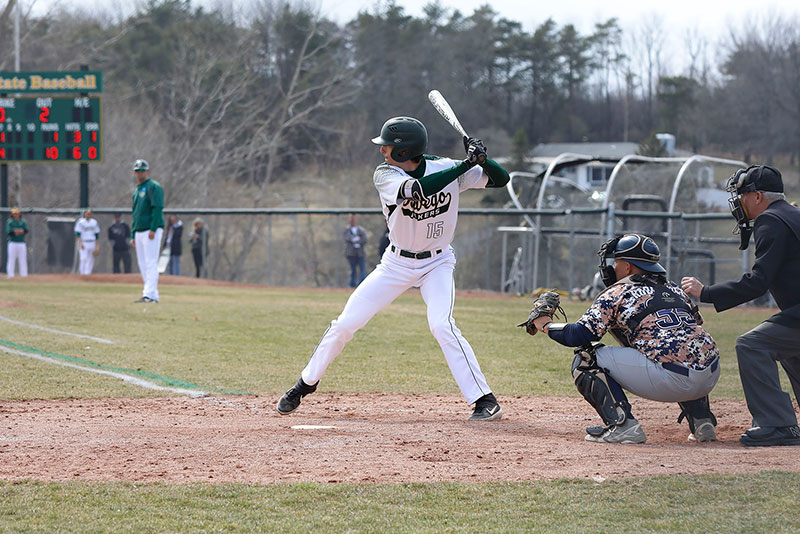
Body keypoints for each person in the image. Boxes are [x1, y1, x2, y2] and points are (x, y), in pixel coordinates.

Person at [276, 116, 510, 420]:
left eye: (386, 147)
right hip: (396, 264)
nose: (382, 151)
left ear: (404, 151)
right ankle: (304, 384)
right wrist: (466, 165)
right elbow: (418, 190)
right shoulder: (385, 175)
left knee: (442, 325)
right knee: (345, 323)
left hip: (437, 262)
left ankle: (483, 399)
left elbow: (500, 179)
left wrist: (483, 158)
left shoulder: (445, 166)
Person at [525, 234, 720, 444]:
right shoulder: (675, 289)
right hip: (710, 376)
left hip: (672, 381)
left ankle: (623, 426)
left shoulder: (618, 292)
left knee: (586, 359)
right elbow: (693, 326)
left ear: (627, 267)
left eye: (617, 262)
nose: (613, 267)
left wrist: (544, 324)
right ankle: (703, 422)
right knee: (685, 350)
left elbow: (578, 335)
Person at [682, 165, 800, 447]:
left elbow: (758, 282)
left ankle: (778, 424)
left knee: (753, 345)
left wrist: (706, 292)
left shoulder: (770, 220)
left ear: (758, 196)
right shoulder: (792, 214)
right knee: (787, 345)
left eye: (742, 194)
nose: (738, 201)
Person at [130, 159, 164, 303]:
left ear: (147, 171)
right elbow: (135, 213)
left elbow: (157, 208)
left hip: (150, 229)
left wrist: (153, 228)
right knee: (142, 263)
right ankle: (152, 294)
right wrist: (133, 234)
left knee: (151, 262)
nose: (139, 173)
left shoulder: (153, 187)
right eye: (137, 171)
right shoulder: (137, 190)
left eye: (142, 170)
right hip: (139, 230)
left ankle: (148, 294)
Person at [343, 213, 368, 288]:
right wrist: (355, 239)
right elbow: (347, 238)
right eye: (351, 219)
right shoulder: (347, 230)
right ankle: (352, 285)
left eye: (353, 219)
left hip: (360, 254)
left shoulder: (360, 230)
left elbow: (364, 239)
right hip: (351, 254)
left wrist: (356, 240)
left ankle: (362, 286)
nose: (352, 221)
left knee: (362, 270)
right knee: (352, 271)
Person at [74, 209, 100, 275]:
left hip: (92, 242)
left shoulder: (94, 222)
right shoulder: (81, 222)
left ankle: (88, 273)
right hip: (84, 242)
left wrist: (97, 245)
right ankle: (82, 274)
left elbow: (97, 234)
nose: (88, 215)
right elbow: (78, 233)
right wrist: (80, 243)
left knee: (90, 259)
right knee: (83, 258)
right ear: (84, 214)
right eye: (87, 213)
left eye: (89, 213)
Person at [6, 207, 28, 277]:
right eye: (14, 214)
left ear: (19, 214)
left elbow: (26, 230)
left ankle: (24, 275)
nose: (15, 215)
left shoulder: (23, 221)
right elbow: (10, 232)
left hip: (21, 243)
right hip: (12, 242)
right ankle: (10, 275)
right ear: (12, 214)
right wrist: (20, 231)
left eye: (16, 213)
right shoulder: (10, 222)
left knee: (23, 259)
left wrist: (16, 231)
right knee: (11, 259)